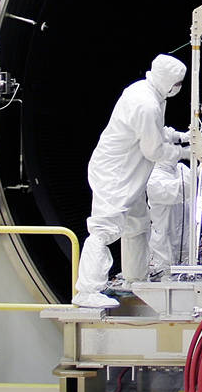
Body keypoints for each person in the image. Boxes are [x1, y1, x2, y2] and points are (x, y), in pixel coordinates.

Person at [72, 54, 189, 308]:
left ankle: (135, 278)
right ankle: (87, 290)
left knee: (137, 224)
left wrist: (181, 136)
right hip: (115, 174)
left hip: (131, 173)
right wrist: (185, 152)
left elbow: (157, 131)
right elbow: (154, 150)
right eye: (178, 83)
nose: (179, 87)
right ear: (168, 81)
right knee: (105, 228)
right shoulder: (145, 103)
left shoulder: (150, 93)